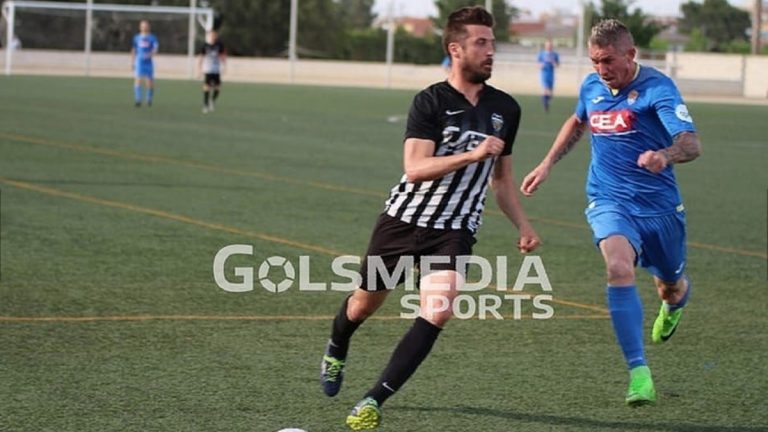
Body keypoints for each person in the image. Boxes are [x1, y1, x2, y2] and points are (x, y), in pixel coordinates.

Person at [319, 6, 540, 431]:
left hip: (456, 229)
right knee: (364, 304)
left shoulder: (506, 109)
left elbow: (502, 179)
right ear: (456, 49)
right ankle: (337, 343)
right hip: (404, 220)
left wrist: (523, 225)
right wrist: (472, 154)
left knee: (438, 310)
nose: (490, 51)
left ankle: (372, 400)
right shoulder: (431, 101)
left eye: (492, 43)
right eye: (481, 43)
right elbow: (415, 167)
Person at [521, 19, 701, 406]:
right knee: (618, 267)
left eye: (607, 61)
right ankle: (639, 374)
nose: (601, 70)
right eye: (594, 61)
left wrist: (664, 155)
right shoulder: (592, 86)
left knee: (670, 284)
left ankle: (675, 300)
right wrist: (547, 163)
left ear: (630, 54)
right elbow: (578, 120)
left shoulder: (658, 89)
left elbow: (691, 143)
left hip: (659, 208)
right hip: (608, 200)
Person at [131, 20, 159, 107]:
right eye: (142, 26)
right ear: (140, 27)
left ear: (148, 27)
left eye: (146, 26)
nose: (144, 27)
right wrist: (132, 61)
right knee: (138, 80)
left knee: (149, 82)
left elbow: (155, 49)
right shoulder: (136, 38)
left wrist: (150, 54)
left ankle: (149, 100)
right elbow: (134, 50)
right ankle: (138, 100)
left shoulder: (152, 38)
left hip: (148, 62)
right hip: (139, 61)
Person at [197, 30, 226, 114]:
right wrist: (199, 69)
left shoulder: (219, 45)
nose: (213, 37)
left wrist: (224, 66)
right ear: (209, 36)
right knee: (206, 87)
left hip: (216, 69)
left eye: (214, 35)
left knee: (218, 87)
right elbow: (201, 57)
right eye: (211, 35)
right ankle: (205, 105)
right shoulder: (205, 46)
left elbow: (222, 56)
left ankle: (212, 100)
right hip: (208, 69)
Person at [537, 39, 559, 112]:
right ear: (545, 46)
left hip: (551, 74)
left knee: (551, 92)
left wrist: (554, 63)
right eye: (547, 45)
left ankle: (544, 100)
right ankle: (545, 105)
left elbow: (557, 64)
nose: (549, 46)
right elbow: (538, 63)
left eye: (550, 45)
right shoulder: (542, 54)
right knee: (545, 89)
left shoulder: (554, 54)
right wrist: (541, 65)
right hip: (544, 73)